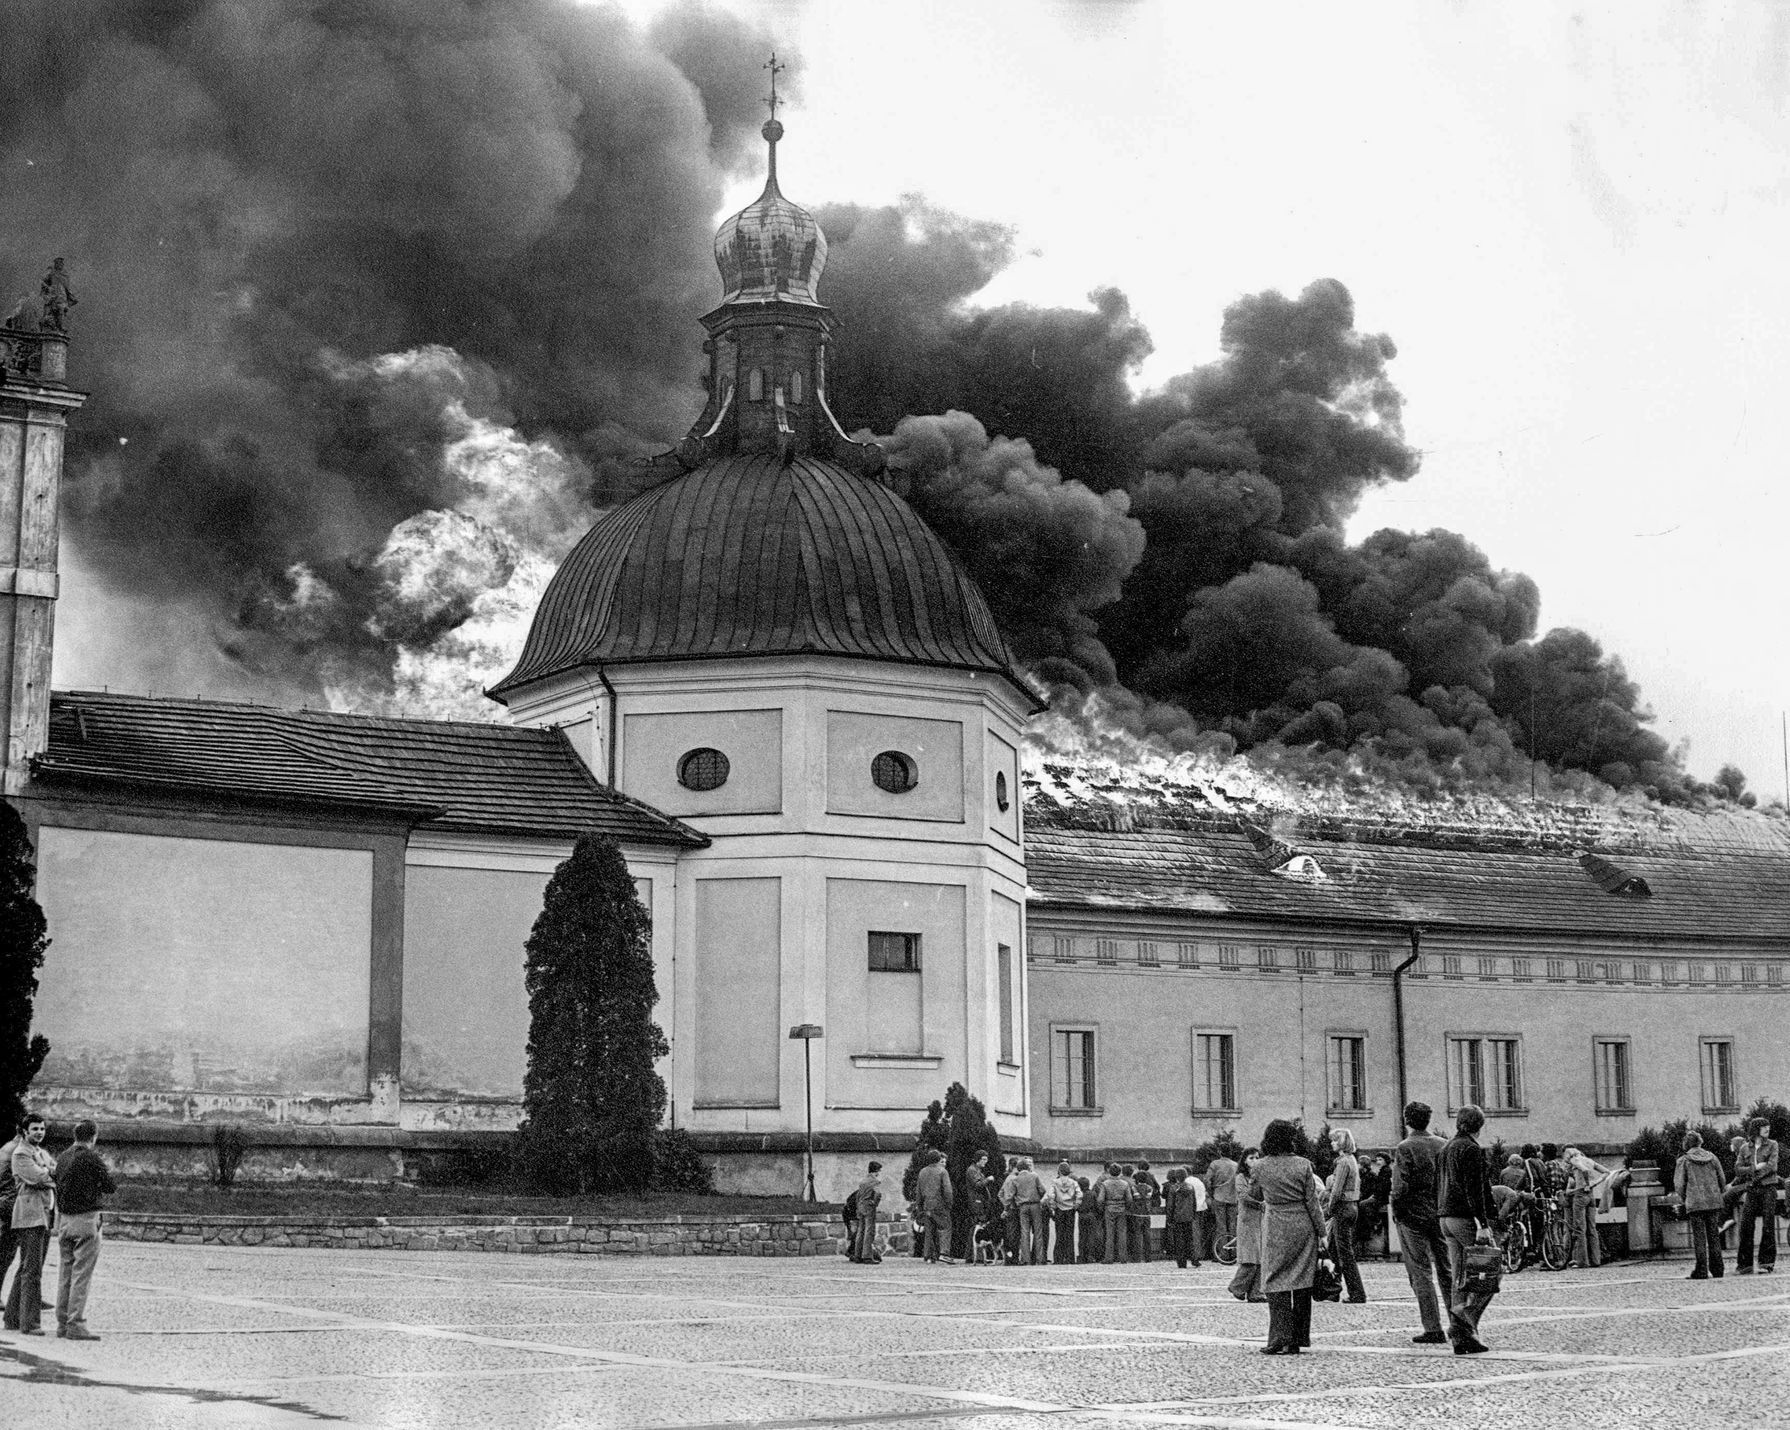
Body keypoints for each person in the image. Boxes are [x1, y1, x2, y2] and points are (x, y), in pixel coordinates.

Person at [1256, 1119, 1325, 1355]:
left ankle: (1278, 1337)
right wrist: (1321, 1230)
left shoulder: (1260, 1166)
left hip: (1276, 1223)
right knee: (1303, 1282)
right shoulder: (1304, 1164)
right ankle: (1297, 1339)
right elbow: (1312, 1201)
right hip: (1303, 1224)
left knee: (1275, 1280)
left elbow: (1254, 1193)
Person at [1438, 1104, 1497, 1355]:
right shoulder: (1471, 1149)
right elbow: (1475, 1189)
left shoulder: (1446, 1147)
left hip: (1446, 1216)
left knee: (1459, 1277)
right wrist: (1483, 1223)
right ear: (1480, 1126)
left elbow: (1438, 1183)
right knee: (1491, 1271)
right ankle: (1466, 1317)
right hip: (1465, 1218)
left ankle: (1461, 1337)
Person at [1392, 1100, 1452, 1345]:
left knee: (1420, 1271)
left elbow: (1399, 1185)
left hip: (1413, 1215)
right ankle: (1458, 1323)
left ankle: (1432, 1327)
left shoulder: (1405, 1147)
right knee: (1447, 1269)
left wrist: (1397, 1209)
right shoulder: (1442, 1145)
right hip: (1439, 1211)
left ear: (1407, 1120)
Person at [52, 1120, 113, 1340]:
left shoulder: (63, 1156)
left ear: (75, 1135)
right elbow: (109, 1186)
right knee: (81, 1275)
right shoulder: (91, 1157)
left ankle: (62, 1323)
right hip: (86, 1219)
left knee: (65, 1273)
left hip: (65, 1220)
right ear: (94, 1137)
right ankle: (75, 1323)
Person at [6, 1113, 55, 1335]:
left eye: (42, 1129)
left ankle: (12, 1318)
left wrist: (49, 1171)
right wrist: (49, 1172)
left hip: (43, 1215)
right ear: (25, 1131)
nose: (39, 1133)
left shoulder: (39, 1152)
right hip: (30, 1216)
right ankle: (30, 1323)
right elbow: (39, 1178)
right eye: (35, 1129)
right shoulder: (21, 1154)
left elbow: (54, 1171)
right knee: (32, 1271)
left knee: (28, 1268)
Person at [1674, 1131, 1726, 1280]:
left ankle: (1701, 1270)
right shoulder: (1712, 1158)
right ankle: (1718, 1269)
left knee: (1699, 1238)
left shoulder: (1684, 1160)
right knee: (1714, 1236)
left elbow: (1679, 1185)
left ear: (1686, 1144)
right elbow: (1722, 1179)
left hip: (1695, 1203)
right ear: (1700, 1142)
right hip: (1713, 1201)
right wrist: (1718, 1193)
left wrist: (1686, 1198)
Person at [1323, 1128, 1367, 1302]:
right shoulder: (1352, 1160)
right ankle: (1332, 1290)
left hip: (1342, 1208)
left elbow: (1337, 1190)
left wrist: (1328, 1209)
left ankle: (1357, 1293)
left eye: (1335, 1140)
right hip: (1352, 1207)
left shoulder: (1342, 1162)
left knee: (1344, 1253)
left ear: (1341, 1142)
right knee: (1334, 1249)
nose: (1332, 1143)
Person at [1735, 1117, 1780, 1275]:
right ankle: (1744, 1264)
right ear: (1756, 1130)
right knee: (1746, 1225)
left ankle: (1766, 1262)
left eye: (1768, 1127)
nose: (1768, 1130)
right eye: (1764, 1128)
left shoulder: (1773, 1145)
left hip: (1768, 1188)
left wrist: (1754, 1175)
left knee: (1768, 1225)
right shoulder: (1745, 1148)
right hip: (1752, 1190)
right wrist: (1754, 1168)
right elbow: (1738, 1169)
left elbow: (1772, 1166)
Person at [1228, 1149, 1268, 1303]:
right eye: (1251, 1158)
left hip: (1260, 1219)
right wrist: (1260, 1204)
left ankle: (1255, 1293)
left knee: (1260, 1258)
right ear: (1244, 1160)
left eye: (1257, 1157)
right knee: (1250, 1258)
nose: (1255, 1160)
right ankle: (1237, 1286)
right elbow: (1244, 1196)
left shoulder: (1260, 1176)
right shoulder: (1240, 1177)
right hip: (1247, 1219)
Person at [1563, 1146, 1604, 1268]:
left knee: (1580, 1229)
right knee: (1592, 1228)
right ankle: (1596, 1260)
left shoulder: (1574, 1160)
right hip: (1591, 1195)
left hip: (1580, 1195)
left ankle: (1582, 1261)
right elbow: (1606, 1172)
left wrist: (1585, 1184)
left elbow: (1584, 1170)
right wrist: (1593, 1183)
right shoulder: (1589, 1160)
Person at [915, 1149, 954, 1264]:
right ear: (938, 1159)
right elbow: (947, 1190)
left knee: (929, 1231)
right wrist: (949, 1204)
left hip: (927, 1205)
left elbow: (918, 1191)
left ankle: (928, 1255)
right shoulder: (942, 1171)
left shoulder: (922, 1172)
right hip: (939, 1204)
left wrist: (919, 1207)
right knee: (946, 1228)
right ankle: (944, 1253)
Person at [1164, 1166, 1204, 1268]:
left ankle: (1182, 1262)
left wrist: (1169, 1218)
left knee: (1179, 1240)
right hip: (1189, 1216)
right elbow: (1194, 1202)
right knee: (1190, 1239)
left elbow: (1170, 1205)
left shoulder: (1174, 1188)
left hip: (1177, 1217)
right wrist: (1193, 1214)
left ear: (1176, 1177)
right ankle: (1194, 1260)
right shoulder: (1191, 1187)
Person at [1011, 1156, 1048, 1266]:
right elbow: (1043, 1190)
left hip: (1023, 1206)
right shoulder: (1034, 1176)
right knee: (1038, 1232)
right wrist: (1038, 1197)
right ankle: (1039, 1259)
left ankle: (1025, 1259)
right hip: (1035, 1205)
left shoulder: (1015, 1179)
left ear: (1018, 1168)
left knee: (1024, 1233)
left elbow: (1013, 1194)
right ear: (1027, 1167)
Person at [1097, 1162, 1132, 1263]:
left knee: (1110, 1234)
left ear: (1109, 1172)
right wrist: (1127, 1208)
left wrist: (1101, 1208)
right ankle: (1123, 1257)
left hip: (1109, 1208)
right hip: (1121, 1208)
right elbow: (1129, 1199)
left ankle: (1109, 1257)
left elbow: (1100, 1199)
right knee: (1122, 1233)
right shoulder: (1125, 1184)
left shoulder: (1105, 1184)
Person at [1207, 1150, 1239, 1259]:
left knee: (1221, 1226)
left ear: (1220, 1152)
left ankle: (1222, 1253)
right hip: (1233, 1197)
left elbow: (1207, 1180)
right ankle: (1234, 1252)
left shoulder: (1215, 1164)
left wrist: (1211, 1192)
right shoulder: (1236, 1165)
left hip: (1219, 1196)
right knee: (1233, 1225)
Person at [851, 1161, 884, 1264]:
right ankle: (867, 1256)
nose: (879, 1173)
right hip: (869, 1206)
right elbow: (878, 1193)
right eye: (879, 1171)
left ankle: (857, 1255)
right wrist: (875, 1203)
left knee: (860, 1231)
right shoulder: (875, 1181)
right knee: (869, 1231)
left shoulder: (863, 1181)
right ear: (876, 1171)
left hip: (860, 1205)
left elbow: (858, 1196)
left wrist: (858, 1206)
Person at [1048, 1161, 1081, 1264]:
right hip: (1070, 1209)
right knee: (1069, 1234)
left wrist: (1053, 1206)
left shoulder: (1055, 1182)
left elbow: (1050, 1195)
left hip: (1059, 1210)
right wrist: (1076, 1205)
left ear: (1059, 1171)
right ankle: (1070, 1258)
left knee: (1059, 1234)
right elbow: (1079, 1195)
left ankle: (1058, 1258)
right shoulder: (1073, 1182)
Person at [1128, 1163, 1155, 1262]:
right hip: (1147, 1214)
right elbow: (1148, 1197)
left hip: (1137, 1213)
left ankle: (1137, 1257)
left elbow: (1136, 1197)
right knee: (1147, 1235)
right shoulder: (1149, 1188)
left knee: (1137, 1235)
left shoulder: (1134, 1187)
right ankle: (1148, 1257)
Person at [1075, 1176, 1101, 1263]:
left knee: (1082, 1236)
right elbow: (1097, 1206)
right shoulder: (1093, 1193)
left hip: (1081, 1215)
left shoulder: (1079, 1194)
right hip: (1091, 1215)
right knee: (1091, 1236)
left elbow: (1076, 1205)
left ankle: (1082, 1256)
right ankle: (1091, 1255)